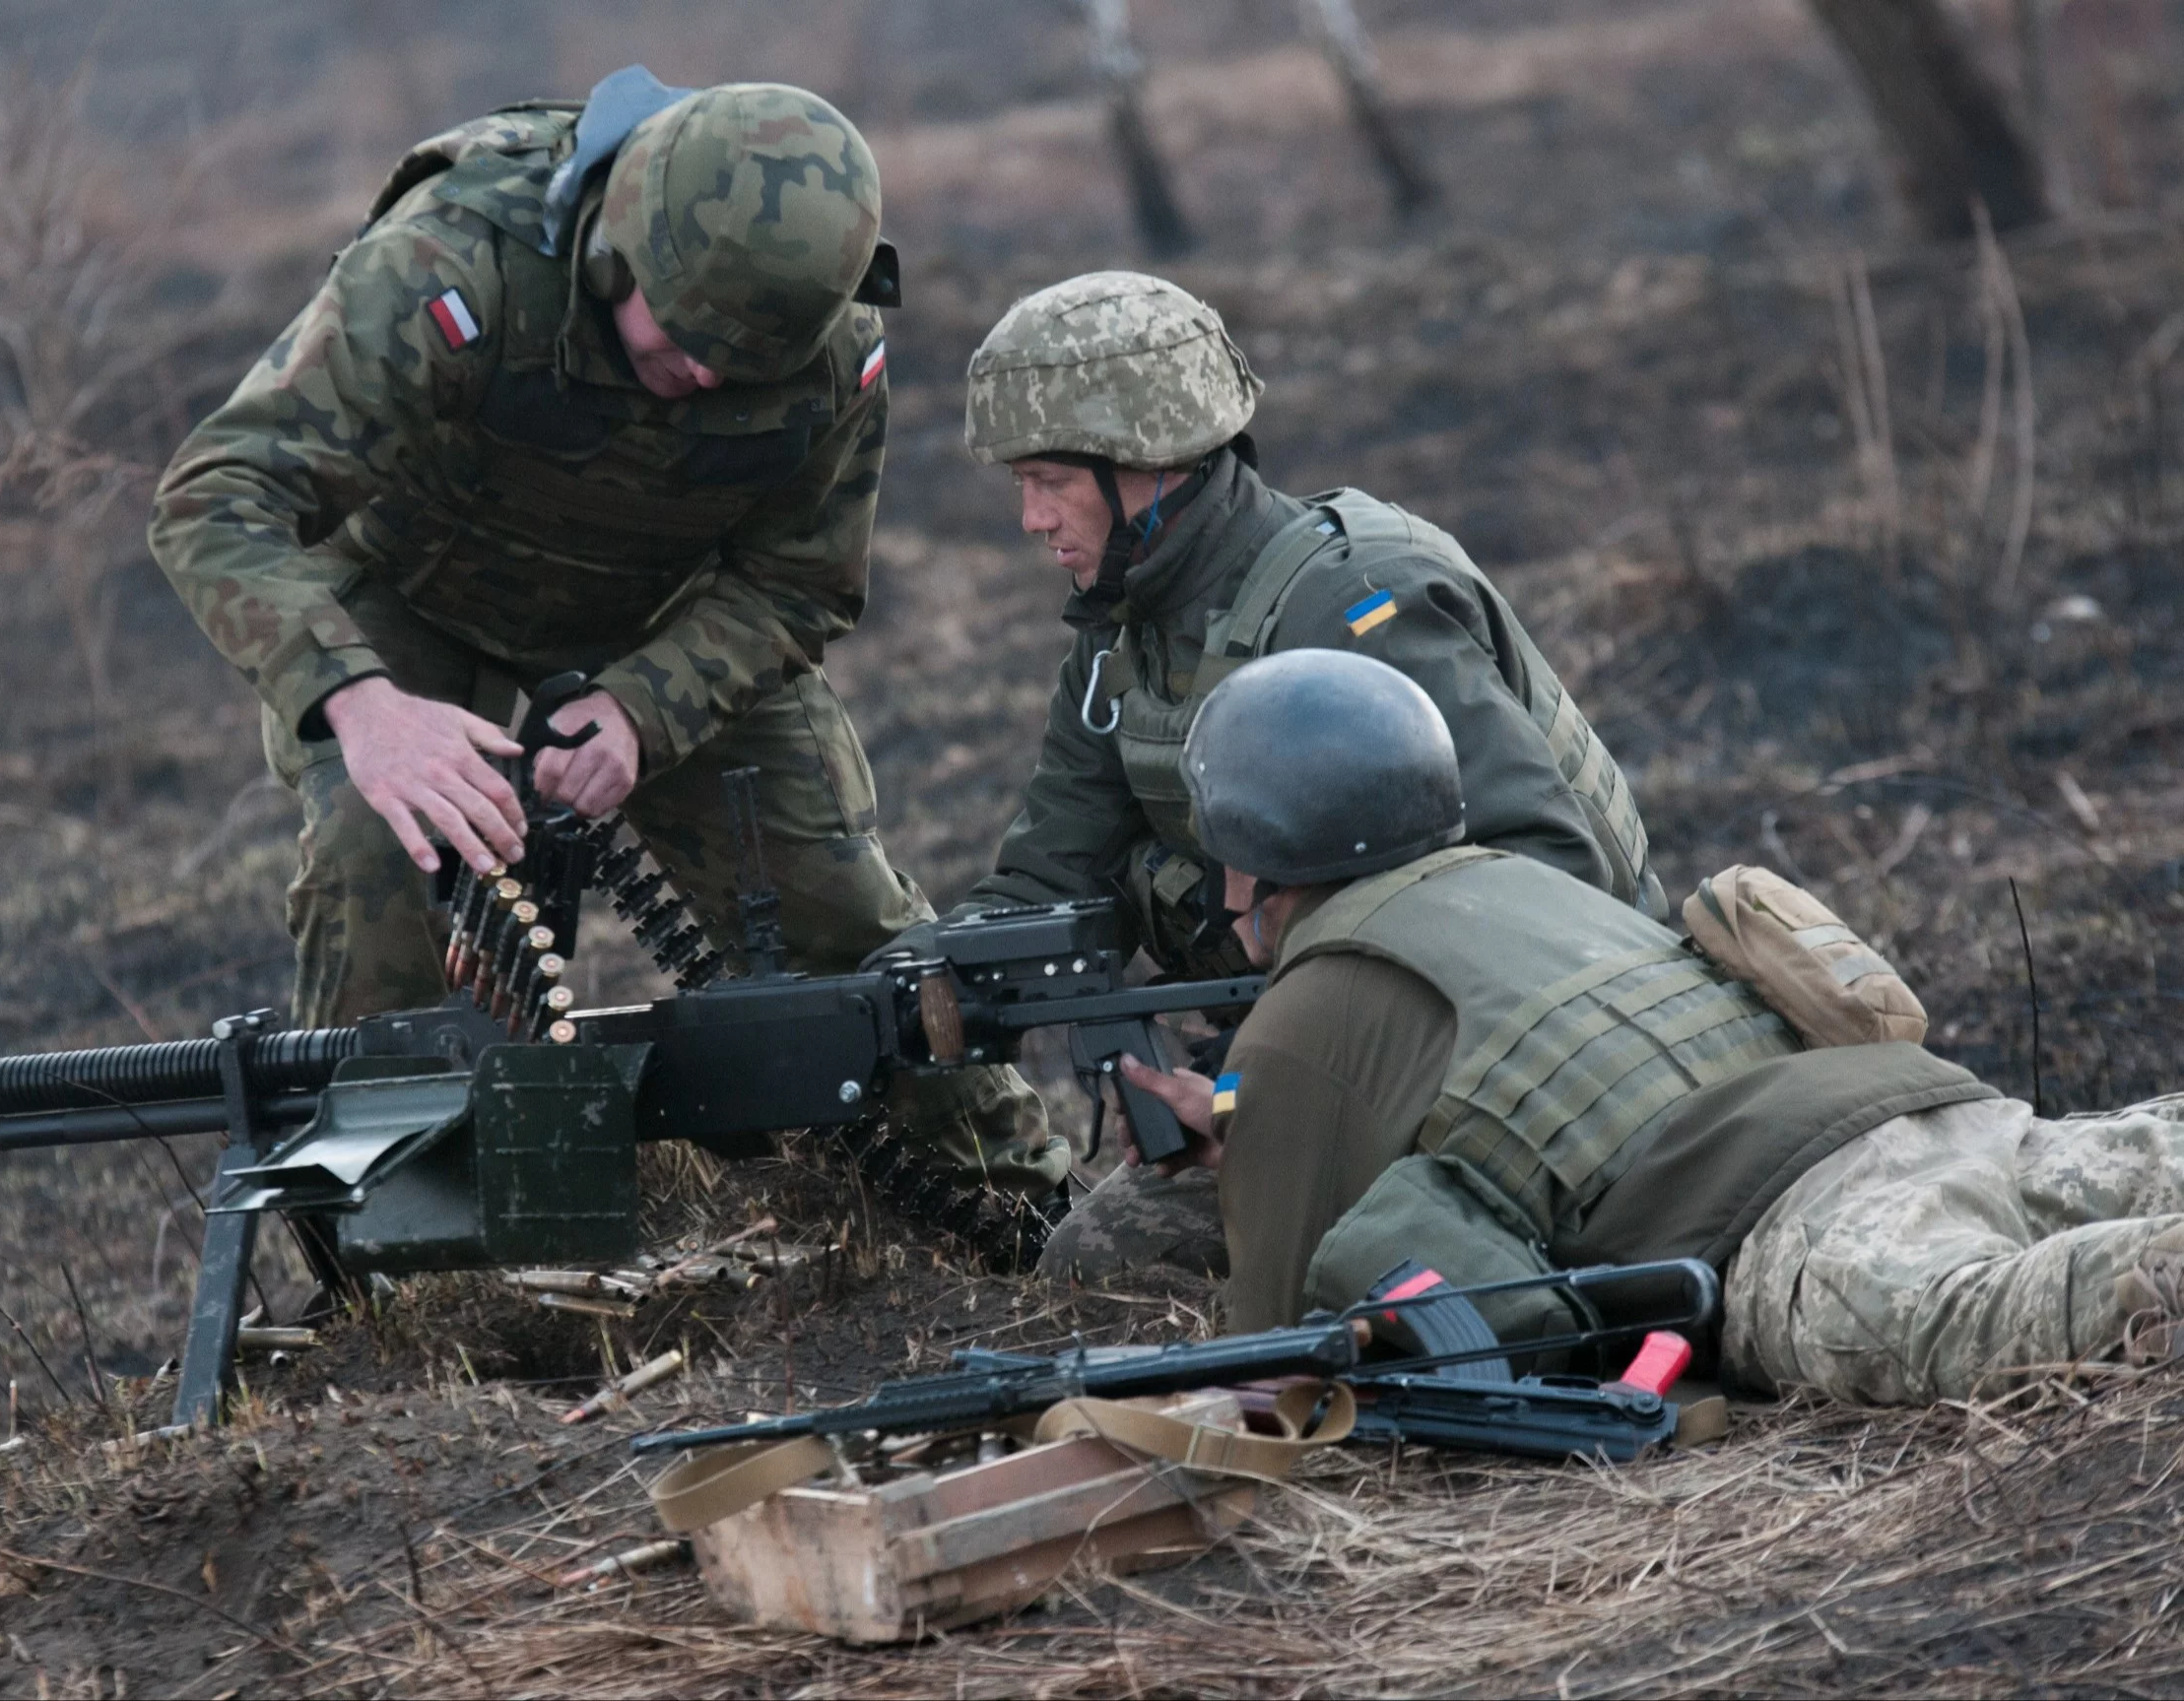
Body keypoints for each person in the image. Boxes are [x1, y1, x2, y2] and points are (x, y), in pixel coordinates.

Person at [149, 68, 1059, 1196]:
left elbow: (798, 583)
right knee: (376, 861)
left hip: (665, 615)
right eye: (683, 342)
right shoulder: (455, 261)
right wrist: (363, 707)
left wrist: (643, 704)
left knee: (836, 898)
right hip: (413, 592)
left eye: (741, 365)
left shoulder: (827, 346)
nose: (708, 376)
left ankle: (1012, 1197)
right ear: (616, 254)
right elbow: (214, 496)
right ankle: (392, 1252)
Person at [1045, 648, 2184, 1406]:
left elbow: (1286, 1349)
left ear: (1250, 848)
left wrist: (1256, 1152)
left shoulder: (1298, 1016)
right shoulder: (1523, 880)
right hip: (1928, 1109)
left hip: (1784, 1225)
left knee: (2037, 1313)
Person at [878, 270, 1659, 998]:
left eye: (1052, 482)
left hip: (1558, 1022)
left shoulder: (1355, 608)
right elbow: (1056, 882)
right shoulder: (1122, 637)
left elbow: (1547, 872)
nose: (1032, 519)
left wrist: (1275, 1074)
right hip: (1336, 1035)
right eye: (1021, 485)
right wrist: (919, 976)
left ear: (1152, 459)